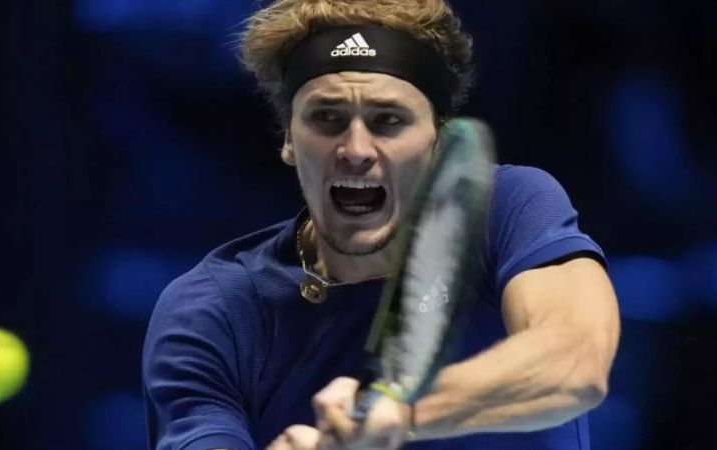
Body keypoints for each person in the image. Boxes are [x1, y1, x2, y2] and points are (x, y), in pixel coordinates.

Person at [141, 0, 621, 449]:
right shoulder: (211, 311)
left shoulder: (506, 207)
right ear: (289, 137)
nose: (356, 149)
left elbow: (576, 362)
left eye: (388, 120)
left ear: (437, 139)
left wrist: (396, 411)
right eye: (326, 118)